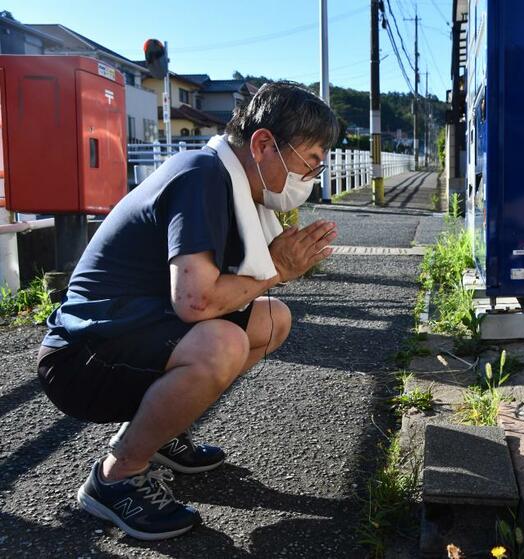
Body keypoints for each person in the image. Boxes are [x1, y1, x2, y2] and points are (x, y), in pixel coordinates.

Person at [36, 82, 340, 540]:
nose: (313, 176)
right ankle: (115, 477)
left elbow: (222, 295)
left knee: (272, 317)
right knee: (223, 343)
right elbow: (196, 301)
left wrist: (275, 271)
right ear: (264, 144)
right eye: (311, 160)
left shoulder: (225, 179)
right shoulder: (201, 177)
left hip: (127, 333)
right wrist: (278, 267)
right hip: (81, 357)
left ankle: (160, 432)